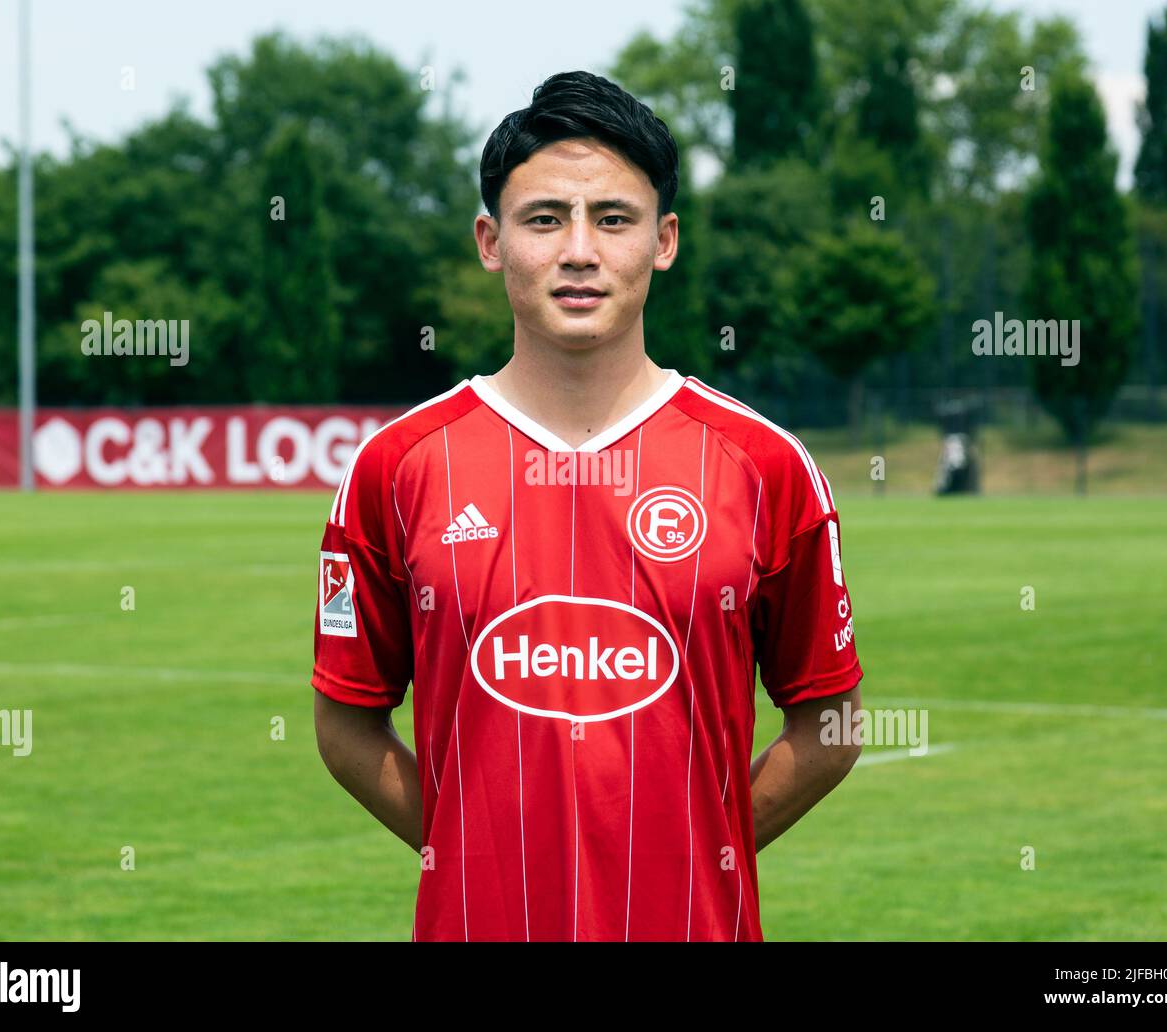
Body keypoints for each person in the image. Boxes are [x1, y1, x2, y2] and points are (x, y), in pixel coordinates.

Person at [312, 70, 864, 941]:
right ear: (491, 241)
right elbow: (345, 722)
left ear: (665, 240)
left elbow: (829, 724)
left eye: (613, 219)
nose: (579, 250)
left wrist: (695, 850)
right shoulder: (397, 468)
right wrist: (475, 852)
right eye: (544, 219)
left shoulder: (766, 467)